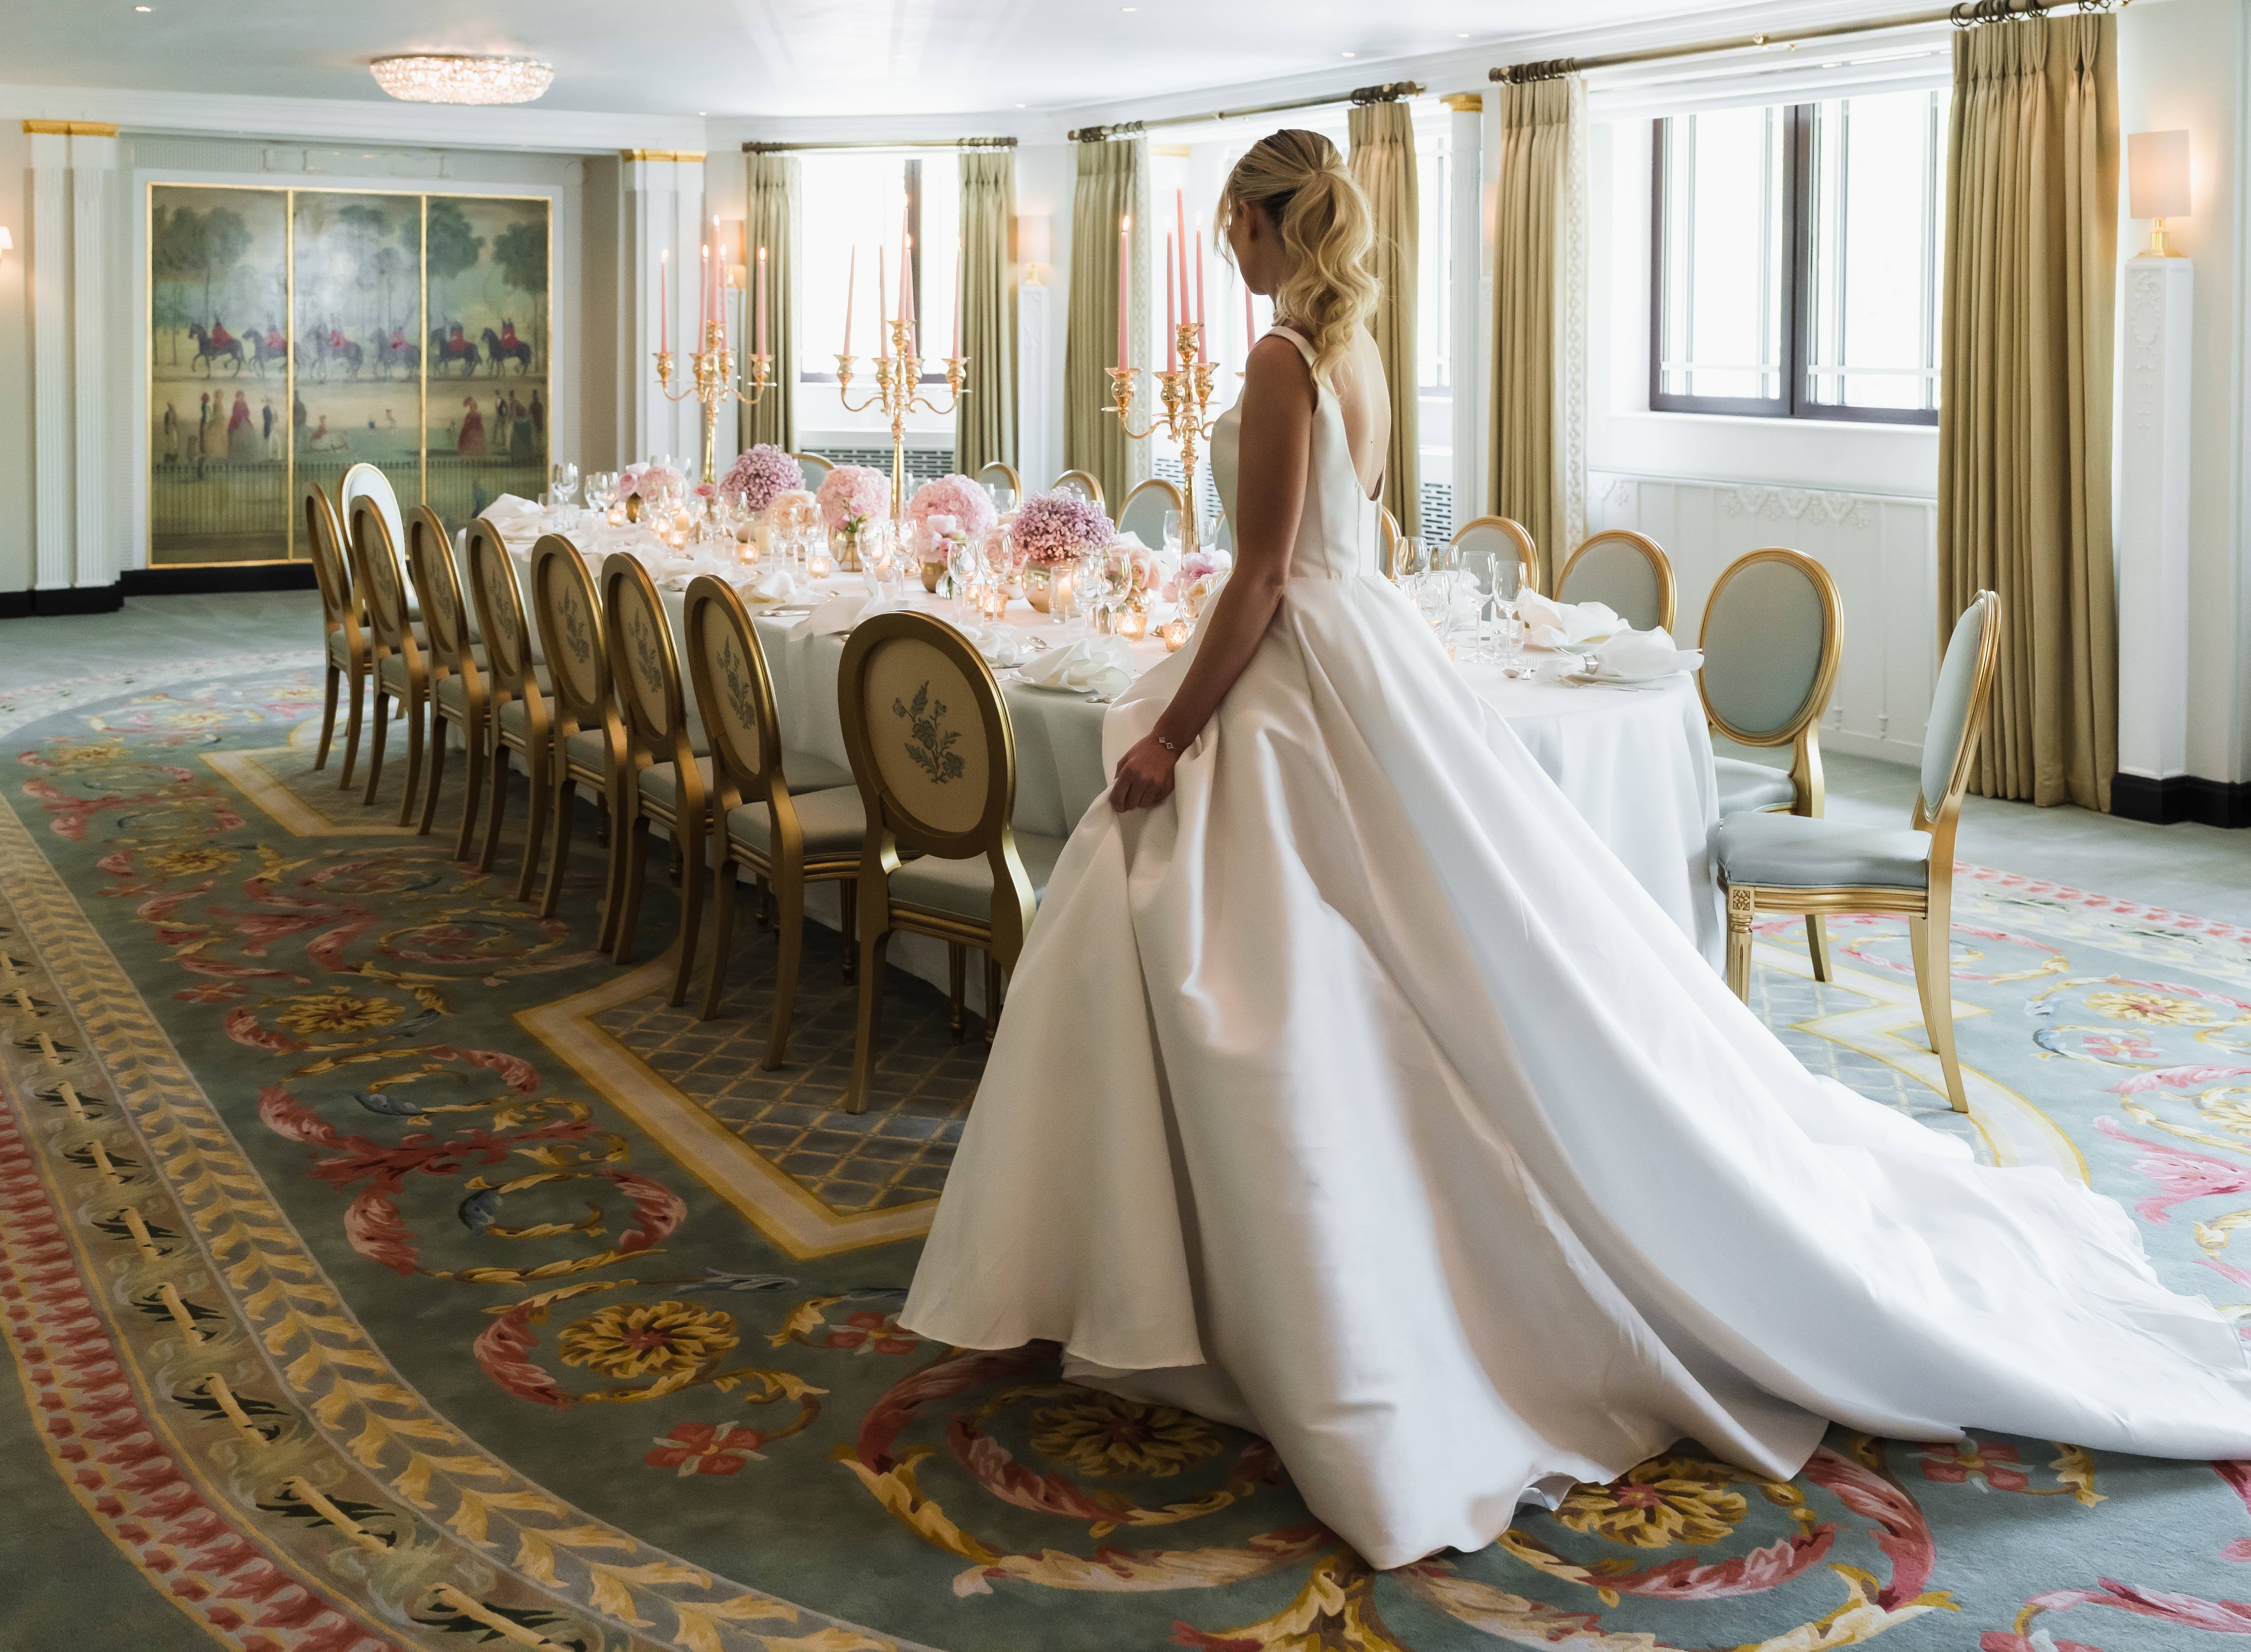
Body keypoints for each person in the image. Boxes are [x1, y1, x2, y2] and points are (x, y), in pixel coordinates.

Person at [897, 128, 2251, 1570]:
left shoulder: (1283, 363)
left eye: (1230, 230)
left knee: (1250, 943)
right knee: (1390, 950)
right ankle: (1201, 1269)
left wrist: (1171, 733)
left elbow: (1270, 571)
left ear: (1250, 221)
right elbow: (1333, 554)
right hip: (1363, 662)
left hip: (1304, 674)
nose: (1226, 253)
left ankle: (1224, 1280)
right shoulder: (1348, 352)